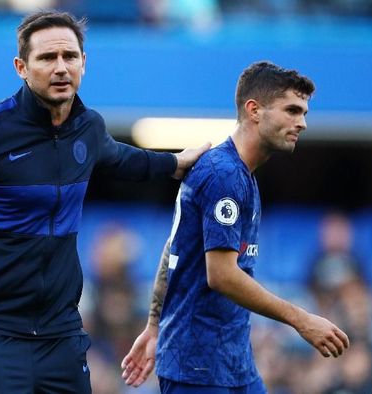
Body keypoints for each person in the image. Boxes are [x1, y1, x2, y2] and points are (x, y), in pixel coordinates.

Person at [0, 10, 209, 394]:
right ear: (21, 67)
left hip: (59, 333)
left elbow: (123, 158)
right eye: (47, 58)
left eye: (69, 57)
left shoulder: (88, 128)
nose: (60, 68)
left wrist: (175, 163)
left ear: (84, 63)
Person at [121, 61, 350, 393]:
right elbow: (222, 274)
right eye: (291, 110)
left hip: (233, 363)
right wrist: (301, 319)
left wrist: (154, 327)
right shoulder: (223, 175)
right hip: (198, 369)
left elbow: (174, 248)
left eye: (304, 113)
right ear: (254, 110)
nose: (301, 122)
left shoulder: (240, 175)